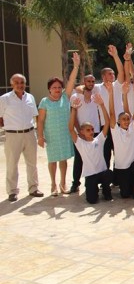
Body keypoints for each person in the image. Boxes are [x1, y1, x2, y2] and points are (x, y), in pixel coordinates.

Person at [37, 52, 79, 195]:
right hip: (52, 135)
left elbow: (71, 80)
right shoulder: (44, 102)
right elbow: (40, 121)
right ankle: (53, 184)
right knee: (53, 160)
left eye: (59, 87)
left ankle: (63, 183)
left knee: (63, 159)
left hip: (64, 133)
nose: (57, 89)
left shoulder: (65, 97)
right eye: (54, 87)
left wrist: (76, 66)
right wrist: (40, 136)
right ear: (49, 88)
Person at [0, 74, 43, 201]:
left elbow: (35, 115)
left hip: (30, 134)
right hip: (12, 135)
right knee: (12, 164)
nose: (20, 85)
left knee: (32, 163)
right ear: (12, 84)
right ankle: (12, 191)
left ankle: (33, 188)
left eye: (22, 82)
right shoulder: (4, 99)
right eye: (17, 82)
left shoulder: (30, 97)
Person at [68, 90, 113, 204]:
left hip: (102, 173)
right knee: (92, 200)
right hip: (90, 175)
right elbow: (71, 128)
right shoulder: (80, 143)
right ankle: (93, 189)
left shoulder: (99, 140)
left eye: (92, 129)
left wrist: (102, 105)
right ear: (82, 131)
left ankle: (106, 189)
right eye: (88, 130)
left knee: (110, 174)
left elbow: (107, 123)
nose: (91, 131)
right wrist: (74, 109)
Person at [108, 82, 134, 201]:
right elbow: (112, 113)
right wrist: (111, 94)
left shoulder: (132, 128)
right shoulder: (115, 130)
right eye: (123, 119)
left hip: (133, 162)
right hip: (122, 167)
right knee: (125, 194)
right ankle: (129, 187)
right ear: (119, 121)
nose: (126, 121)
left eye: (127, 119)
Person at [69, 73, 99, 194]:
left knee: (94, 158)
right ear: (84, 82)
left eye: (93, 81)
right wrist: (79, 131)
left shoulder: (96, 95)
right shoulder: (75, 96)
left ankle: (94, 183)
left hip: (95, 132)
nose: (91, 83)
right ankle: (75, 183)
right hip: (81, 133)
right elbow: (74, 115)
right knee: (79, 159)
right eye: (88, 81)